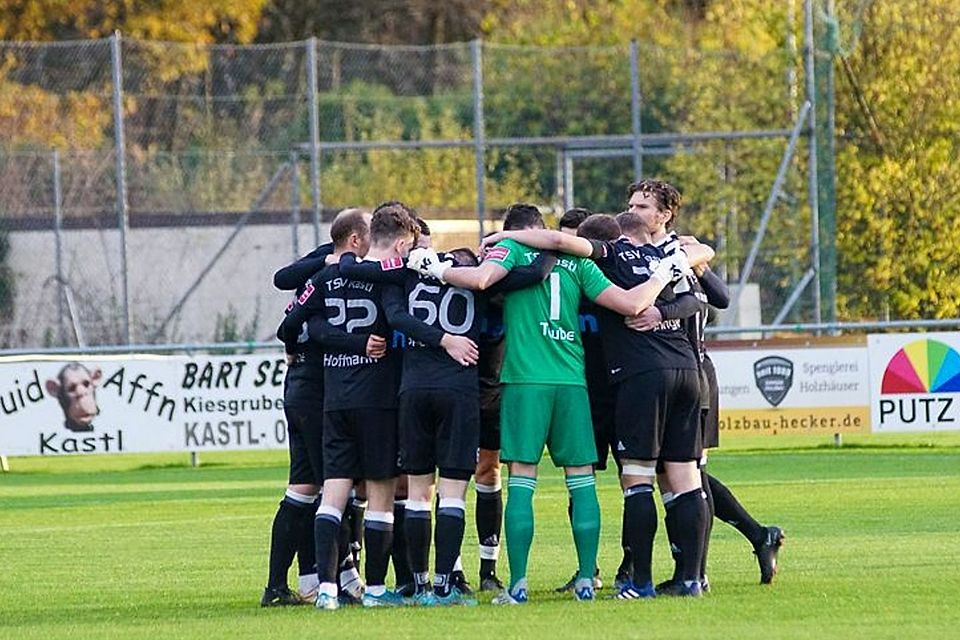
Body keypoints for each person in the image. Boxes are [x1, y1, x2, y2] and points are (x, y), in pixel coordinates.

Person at [408, 203, 710, 604]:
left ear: (511, 230)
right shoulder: (577, 263)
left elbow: (481, 279)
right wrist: (659, 284)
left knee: (522, 482)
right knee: (581, 481)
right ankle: (587, 578)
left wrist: (434, 268)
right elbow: (628, 304)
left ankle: (516, 585)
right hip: (572, 382)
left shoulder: (510, 251)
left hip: (524, 381)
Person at [282, 203, 421, 610]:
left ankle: (326, 589)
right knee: (379, 496)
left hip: (335, 400)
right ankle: (375, 591)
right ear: (397, 243)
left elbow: (289, 326)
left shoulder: (327, 275)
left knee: (334, 494)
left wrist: (308, 346)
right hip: (379, 401)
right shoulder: (395, 278)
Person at [261, 208, 371, 607]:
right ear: (355, 239)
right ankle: (334, 577)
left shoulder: (358, 267)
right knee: (333, 482)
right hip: (313, 383)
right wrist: (326, 261)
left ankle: (302, 580)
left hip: (313, 383)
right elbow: (284, 285)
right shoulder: (328, 264)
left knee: (308, 486)